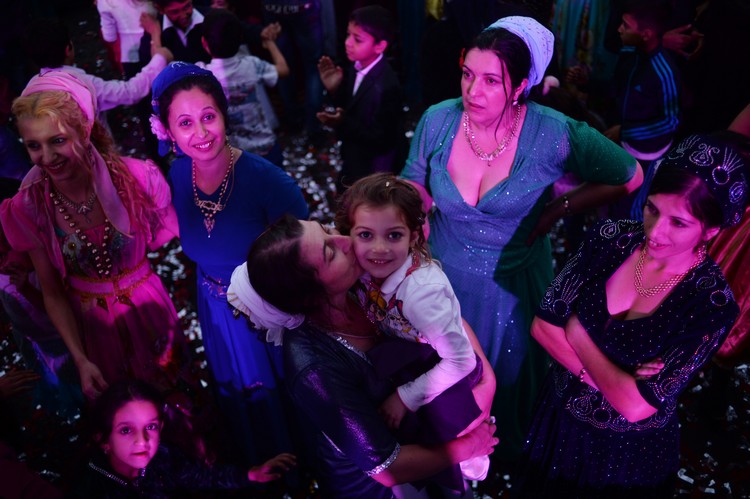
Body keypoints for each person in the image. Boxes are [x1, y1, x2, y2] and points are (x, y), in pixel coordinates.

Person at [400, 16, 643, 459]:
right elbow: (414, 179)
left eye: (491, 80)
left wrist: (559, 208)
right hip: (443, 278)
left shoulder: (554, 133)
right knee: (447, 378)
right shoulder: (438, 119)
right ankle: (457, 452)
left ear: (521, 86)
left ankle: (504, 452)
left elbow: (630, 175)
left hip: (511, 288)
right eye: (467, 74)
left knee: (510, 382)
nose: (472, 91)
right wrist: (414, 211)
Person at [519, 133, 745, 497]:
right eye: (652, 208)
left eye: (679, 223)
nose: (655, 231)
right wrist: (617, 383)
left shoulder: (711, 305)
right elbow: (543, 327)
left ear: (712, 229)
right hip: (559, 422)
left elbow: (637, 408)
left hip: (625, 458)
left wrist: (575, 332)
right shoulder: (611, 237)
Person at [227, 214, 498, 498]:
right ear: (311, 297)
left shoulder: (360, 273)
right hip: (381, 480)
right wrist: (467, 447)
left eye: (326, 229)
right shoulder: (313, 370)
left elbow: (442, 314)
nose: (346, 240)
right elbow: (388, 469)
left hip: (429, 424)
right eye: (329, 253)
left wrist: (486, 380)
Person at [149, 61, 308, 465]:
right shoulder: (178, 175)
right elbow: (183, 233)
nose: (201, 134)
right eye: (185, 123)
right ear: (168, 132)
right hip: (214, 309)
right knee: (236, 391)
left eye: (208, 117)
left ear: (224, 114)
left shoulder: (268, 182)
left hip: (266, 314)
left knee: (278, 395)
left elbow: (305, 260)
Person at [0, 70, 187, 399]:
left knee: (173, 395)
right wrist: (81, 359)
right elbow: (52, 292)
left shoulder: (136, 177)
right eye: (33, 145)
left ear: (84, 129)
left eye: (58, 140)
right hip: (92, 328)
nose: (47, 158)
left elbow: (170, 232)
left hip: (149, 311)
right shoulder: (29, 206)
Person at [333, 173, 488, 486]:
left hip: (445, 366)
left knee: (448, 430)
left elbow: (462, 361)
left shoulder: (421, 294)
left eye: (394, 235)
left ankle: (471, 456)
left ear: (414, 237)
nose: (378, 249)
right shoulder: (360, 263)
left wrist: (404, 398)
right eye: (365, 235)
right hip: (408, 352)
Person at [72, 379, 296, 497]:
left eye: (150, 426)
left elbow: (199, 476)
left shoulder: (162, 456)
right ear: (104, 440)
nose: (143, 440)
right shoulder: (92, 488)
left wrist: (250, 475)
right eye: (126, 430)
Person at [568, 0, 681, 219]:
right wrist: (587, 83)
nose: (619, 29)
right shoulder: (629, 53)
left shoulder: (663, 72)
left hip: (646, 154)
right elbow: (616, 88)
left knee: (631, 208)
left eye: (626, 26)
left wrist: (625, 131)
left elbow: (671, 122)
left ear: (646, 34)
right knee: (612, 195)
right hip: (624, 144)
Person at [24, 18, 173, 128]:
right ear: (68, 49)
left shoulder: (31, 90)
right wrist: (159, 57)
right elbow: (131, 92)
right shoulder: (82, 85)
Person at [316, 5, 404, 192]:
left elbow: (382, 139)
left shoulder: (387, 86)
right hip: (353, 156)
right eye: (348, 35)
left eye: (357, 39)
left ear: (379, 46)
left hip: (371, 168)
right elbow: (351, 106)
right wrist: (335, 90)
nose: (348, 42)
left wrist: (342, 122)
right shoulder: (356, 64)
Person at [198, 9, 288, 166]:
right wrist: (270, 43)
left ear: (204, 43)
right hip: (266, 148)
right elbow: (283, 69)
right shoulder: (251, 65)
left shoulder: (201, 75)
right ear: (240, 39)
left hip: (234, 157)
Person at [96, 0, 157, 78]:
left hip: (130, 55)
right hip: (157, 45)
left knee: (138, 83)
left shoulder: (104, 2)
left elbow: (110, 37)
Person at [140, 0, 210, 64]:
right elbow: (148, 65)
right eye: (175, 12)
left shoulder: (211, 18)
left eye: (186, 7)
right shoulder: (154, 27)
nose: (183, 16)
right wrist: (155, 34)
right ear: (160, 9)